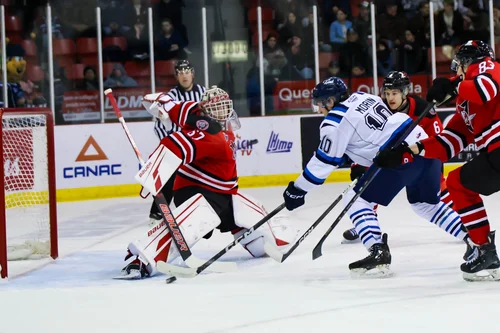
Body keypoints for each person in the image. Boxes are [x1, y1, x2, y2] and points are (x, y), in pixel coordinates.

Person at [282, 77, 468, 277]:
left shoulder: (333, 121)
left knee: (355, 200)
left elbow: (324, 162)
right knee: (425, 204)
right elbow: (371, 134)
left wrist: (298, 189)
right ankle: (474, 238)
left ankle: (377, 250)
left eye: (320, 104)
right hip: (424, 146)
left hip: (396, 154)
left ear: (330, 101)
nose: (320, 110)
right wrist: (356, 157)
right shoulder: (364, 97)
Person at [117, 86, 297, 279]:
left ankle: (271, 239)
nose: (223, 112)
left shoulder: (194, 111)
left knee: (252, 213)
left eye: (225, 106)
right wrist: (153, 172)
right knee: (190, 221)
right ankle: (144, 259)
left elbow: (172, 106)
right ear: (206, 110)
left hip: (224, 195)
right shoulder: (213, 137)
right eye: (217, 108)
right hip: (196, 191)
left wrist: (161, 103)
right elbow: (175, 145)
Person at [377, 40, 500, 281]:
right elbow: (447, 144)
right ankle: (484, 250)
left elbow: (486, 89)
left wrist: (453, 85)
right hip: (495, 155)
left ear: (469, 61)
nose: (457, 68)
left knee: (457, 182)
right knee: (457, 183)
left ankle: (485, 250)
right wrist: (408, 151)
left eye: (461, 63)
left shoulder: (489, 67)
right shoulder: (464, 104)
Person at [342, 71, 454, 243]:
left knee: (437, 186)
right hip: (390, 158)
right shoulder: (379, 110)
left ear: (404, 92)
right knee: (369, 185)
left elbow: (437, 139)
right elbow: (366, 141)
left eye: (394, 93)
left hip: (420, 156)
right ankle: (364, 224)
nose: (390, 98)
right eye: (387, 93)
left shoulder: (423, 109)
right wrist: (357, 166)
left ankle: (464, 221)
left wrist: (434, 157)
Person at [149, 60, 206, 225]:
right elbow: (159, 125)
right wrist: (171, 144)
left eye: (187, 71)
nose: (184, 75)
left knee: (201, 178)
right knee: (170, 179)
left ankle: (199, 211)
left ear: (192, 73)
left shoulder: (203, 93)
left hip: (199, 145)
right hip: (179, 146)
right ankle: (157, 213)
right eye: (180, 72)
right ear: (177, 76)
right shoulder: (170, 97)